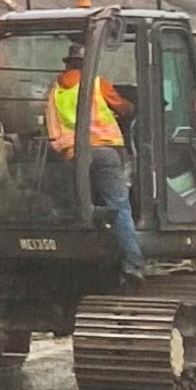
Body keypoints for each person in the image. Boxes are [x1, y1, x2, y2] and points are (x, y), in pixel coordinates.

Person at [46, 44, 144, 279]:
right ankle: (133, 264)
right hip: (104, 151)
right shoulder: (97, 83)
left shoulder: (54, 91)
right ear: (86, 62)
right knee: (119, 205)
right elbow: (124, 108)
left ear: (67, 63)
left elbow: (51, 131)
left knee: (78, 206)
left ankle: (89, 255)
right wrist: (132, 106)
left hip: (72, 156)